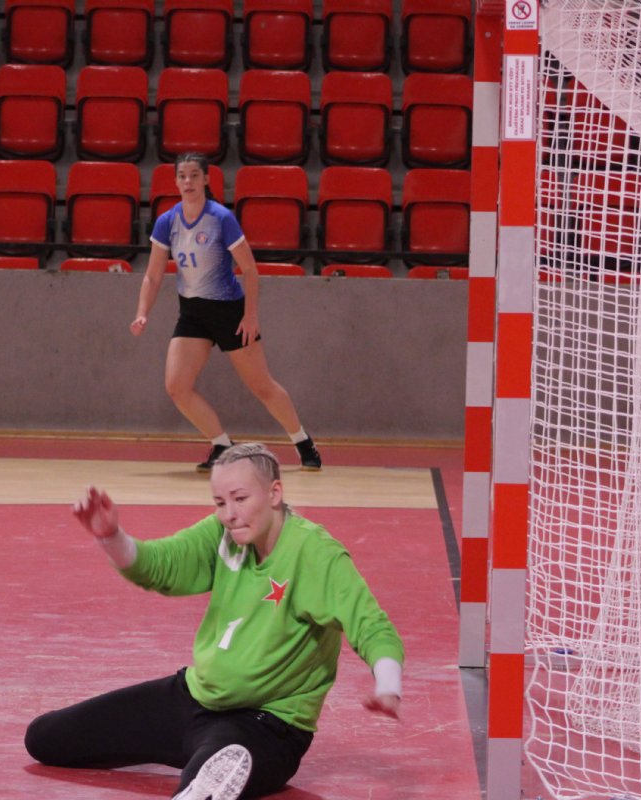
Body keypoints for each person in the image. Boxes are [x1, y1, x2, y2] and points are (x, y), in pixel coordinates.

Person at [24, 442, 404, 800]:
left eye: (240, 499)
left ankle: (213, 765)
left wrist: (388, 685)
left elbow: (371, 625)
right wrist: (110, 535)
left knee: (206, 779)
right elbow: (160, 564)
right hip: (194, 699)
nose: (229, 513)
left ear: (274, 493)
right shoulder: (223, 533)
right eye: (220, 502)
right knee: (44, 738)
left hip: (266, 726)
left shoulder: (316, 554)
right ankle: (204, 755)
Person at [131, 153, 321, 473]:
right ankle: (221, 444)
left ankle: (303, 442)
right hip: (192, 312)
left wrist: (250, 316)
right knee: (177, 386)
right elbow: (152, 275)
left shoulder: (221, 218)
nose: (188, 182)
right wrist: (142, 313)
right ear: (175, 181)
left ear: (206, 179)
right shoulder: (167, 222)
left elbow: (250, 270)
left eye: (194, 175)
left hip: (229, 311)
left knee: (262, 385)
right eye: (182, 176)